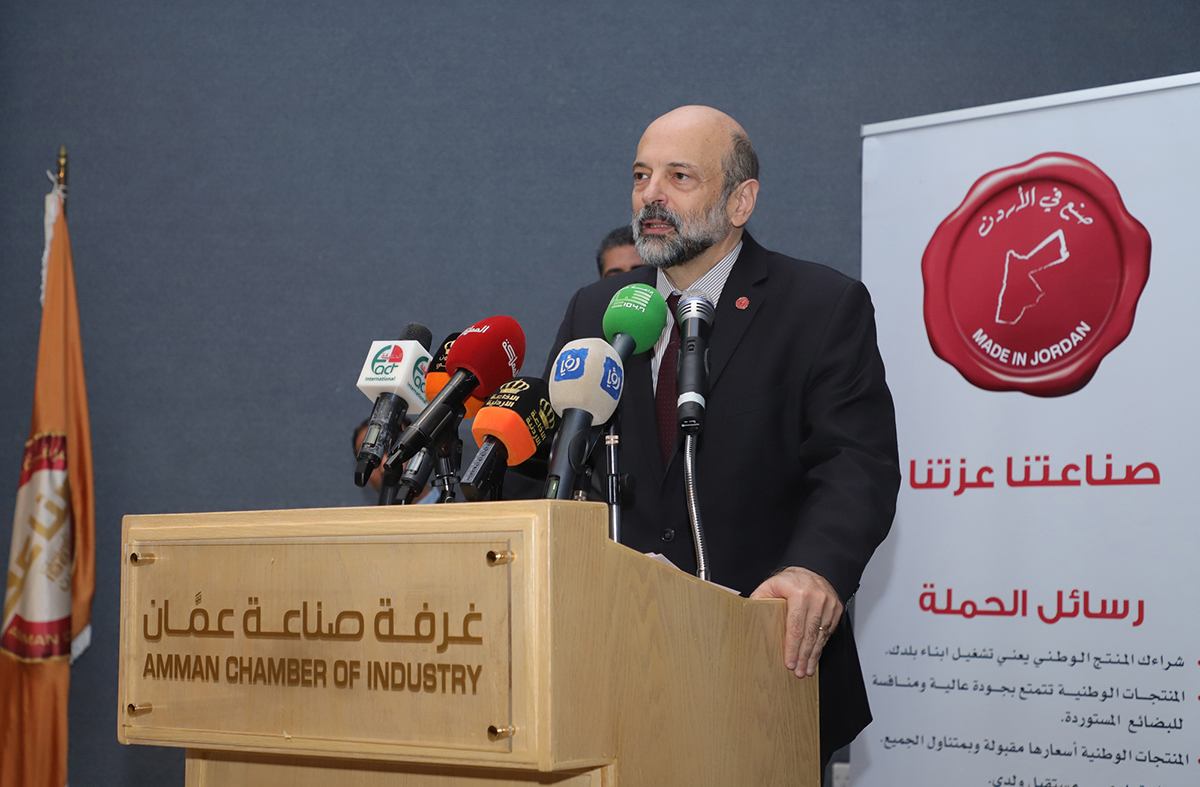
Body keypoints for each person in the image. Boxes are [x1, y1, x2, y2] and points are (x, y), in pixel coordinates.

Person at [544, 105, 900, 769]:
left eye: (679, 176)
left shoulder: (819, 305)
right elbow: (555, 456)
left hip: (763, 674)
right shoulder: (596, 310)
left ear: (741, 201)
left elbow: (857, 465)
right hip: (609, 670)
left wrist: (814, 568)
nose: (651, 195)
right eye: (641, 176)